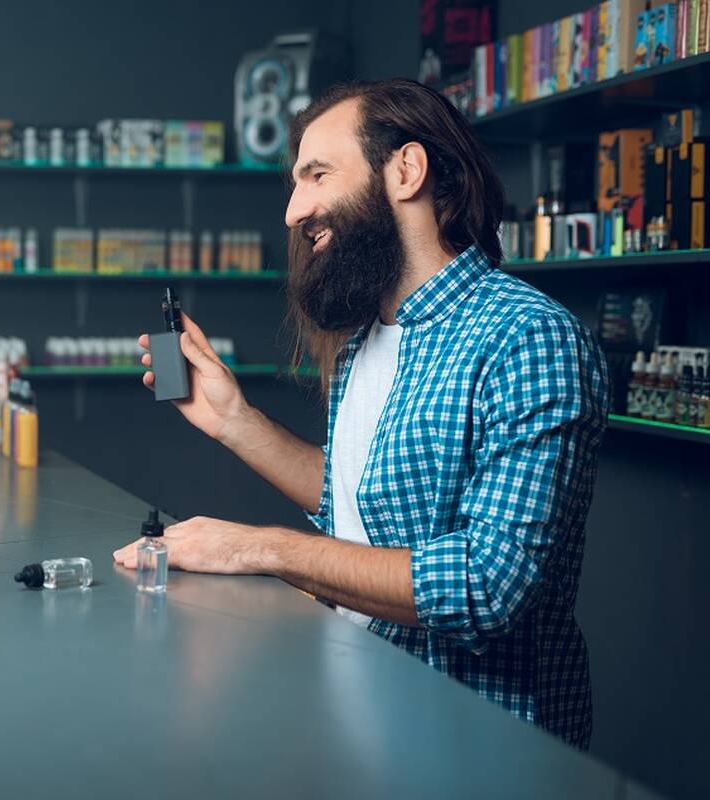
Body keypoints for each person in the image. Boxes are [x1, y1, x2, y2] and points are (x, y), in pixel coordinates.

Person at [115, 79, 608, 749]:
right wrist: (235, 420)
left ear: (405, 170)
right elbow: (360, 502)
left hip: (478, 747)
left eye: (316, 175)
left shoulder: (527, 336)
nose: (293, 211)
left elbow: (487, 585)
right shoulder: (365, 342)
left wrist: (262, 548)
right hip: (361, 714)